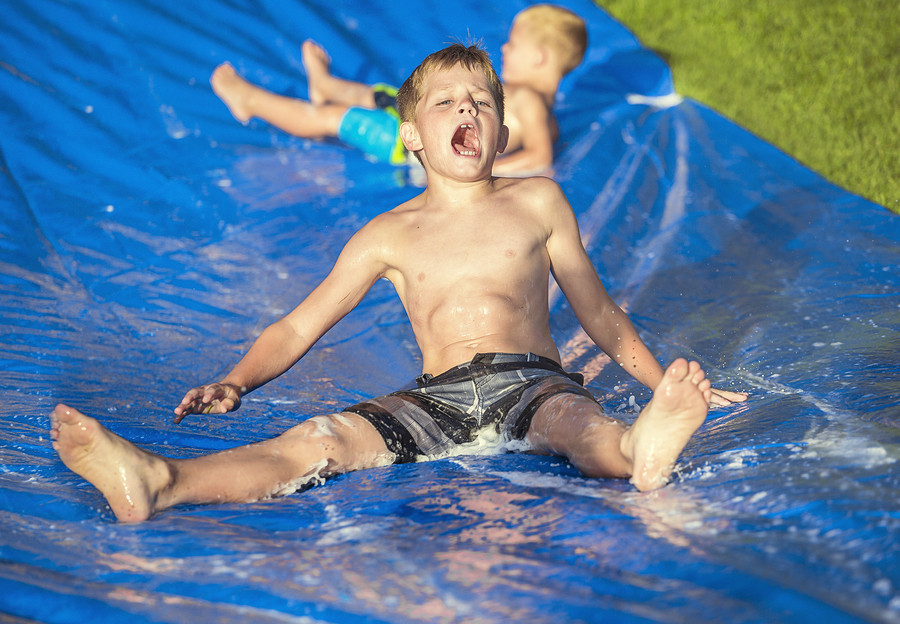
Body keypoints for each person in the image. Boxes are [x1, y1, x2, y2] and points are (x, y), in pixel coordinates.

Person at [50, 44, 747, 523]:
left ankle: (639, 450)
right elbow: (299, 324)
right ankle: (162, 482)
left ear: (502, 131)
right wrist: (238, 379)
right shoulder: (388, 234)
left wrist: (660, 383)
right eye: (446, 103)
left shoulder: (538, 202)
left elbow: (600, 313)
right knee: (322, 438)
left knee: (576, 424)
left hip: (532, 379)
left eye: (481, 101)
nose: (467, 110)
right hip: (434, 397)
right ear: (411, 133)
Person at [209, 4, 587, 175]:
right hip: (428, 120)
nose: (503, 49)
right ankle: (327, 85)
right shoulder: (538, 108)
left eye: (512, 44)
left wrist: (481, 171)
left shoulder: (528, 101)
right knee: (397, 94)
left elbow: (540, 159)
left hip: (407, 142)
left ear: (538, 57)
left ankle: (252, 101)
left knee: (333, 119)